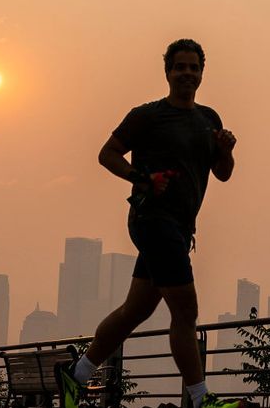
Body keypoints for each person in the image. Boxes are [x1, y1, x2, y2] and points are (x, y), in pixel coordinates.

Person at [56, 39, 252, 408]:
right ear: (168, 72)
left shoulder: (210, 119)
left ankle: (75, 375)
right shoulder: (147, 116)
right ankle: (201, 399)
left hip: (179, 228)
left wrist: (226, 150)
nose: (187, 74)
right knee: (185, 310)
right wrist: (142, 179)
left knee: (137, 311)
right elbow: (107, 154)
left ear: (202, 74)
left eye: (194, 68)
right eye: (180, 67)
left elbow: (222, 174)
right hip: (151, 220)